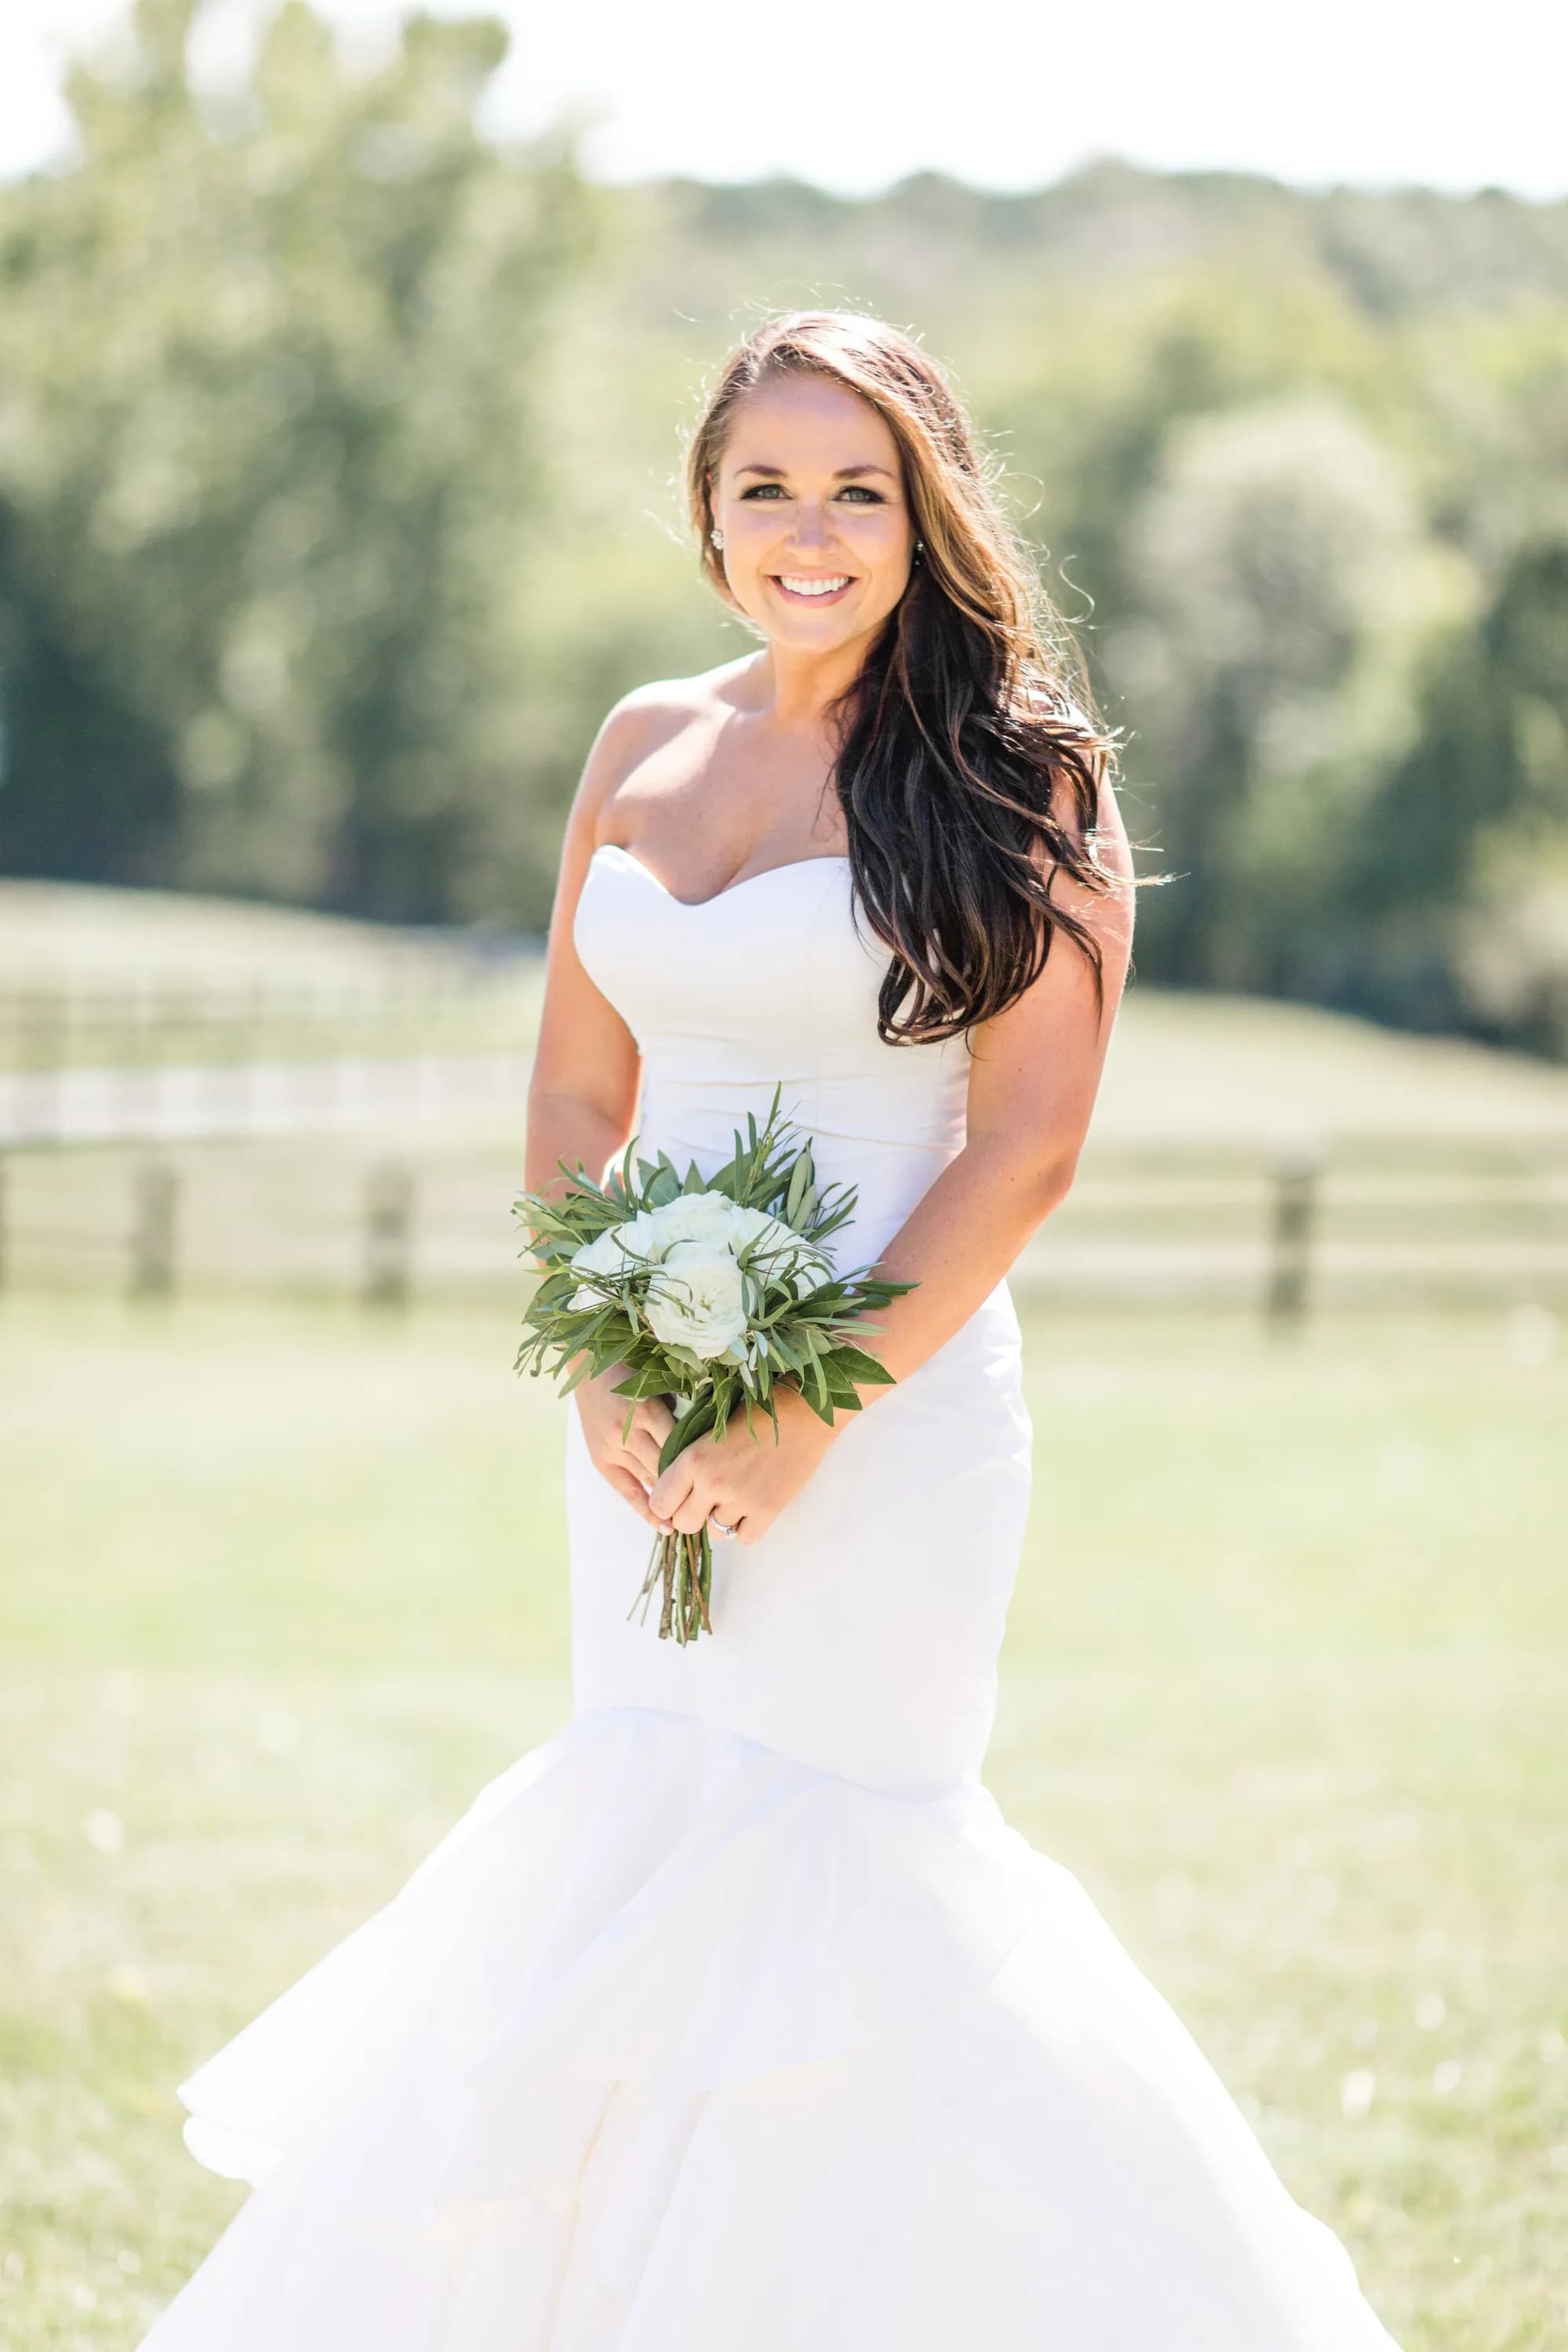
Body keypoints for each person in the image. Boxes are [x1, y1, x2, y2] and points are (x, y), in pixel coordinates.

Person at [138, 310, 1403, 2348]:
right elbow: (572, 1099)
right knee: (641, 1824)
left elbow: (1029, 1148)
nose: (808, 530)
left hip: (889, 1429)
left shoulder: (1022, 780)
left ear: (929, 513)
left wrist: (815, 1414)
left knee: (855, 1868)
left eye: (857, 490)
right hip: (636, 1411)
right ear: (708, 510)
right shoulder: (640, 743)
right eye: (765, 487)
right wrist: (606, 1360)